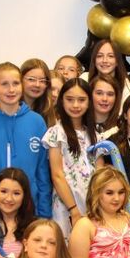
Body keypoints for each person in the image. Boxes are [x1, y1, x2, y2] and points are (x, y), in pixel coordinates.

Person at [0, 61, 51, 219]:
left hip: (29, 210)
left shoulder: (37, 122)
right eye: (4, 84)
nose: (11, 90)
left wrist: (44, 214)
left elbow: (43, 172)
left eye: (15, 83)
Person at [43, 78, 97, 236]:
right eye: (69, 99)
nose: (75, 105)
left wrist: (96, 207)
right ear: (61, 101)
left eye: (81, 100)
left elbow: (100, 175)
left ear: (89, 102)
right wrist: (73, 210)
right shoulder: (56, 132)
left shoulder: (95, 135)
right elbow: (57, 175)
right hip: (66, 206)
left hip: (93, 207)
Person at [87, 39, 130, 105]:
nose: (104, 60)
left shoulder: (127, 87)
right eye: (100, 56)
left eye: (110, 56)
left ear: (117, 61)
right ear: (94, 60)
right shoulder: (84, 78)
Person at [20, 58, 55, 126]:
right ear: (20, 79)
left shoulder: (48, 111)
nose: (37, 85)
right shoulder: (11, 108)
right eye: (31, 79)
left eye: (42, 80)